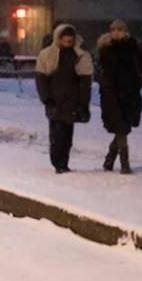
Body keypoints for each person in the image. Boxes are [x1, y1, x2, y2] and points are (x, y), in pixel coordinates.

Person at [35, 24, 93, 174]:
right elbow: (42, 80)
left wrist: (83, 102)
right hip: (55, 100)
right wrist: (46, 98)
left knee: (67, 135)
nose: (68, 39)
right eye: (65, 36)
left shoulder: (80, 56)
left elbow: (85, 82)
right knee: (56, 134)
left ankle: (63, 162)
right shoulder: (48, 55)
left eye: (70, 36)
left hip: (72, 101)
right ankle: (58, 163)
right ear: (58, 37)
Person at [97, 20, 142, 174]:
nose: (116, 32)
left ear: (126, 31)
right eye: (113, 29)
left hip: (129, 94)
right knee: (121, 127)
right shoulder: (106, 50)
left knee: (123, 127)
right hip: (112, 94)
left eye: (119, 29)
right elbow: (103, 72)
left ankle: (109, 160)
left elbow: (140, 70)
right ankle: (125, 164)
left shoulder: (133, 49)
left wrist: (136, 84)